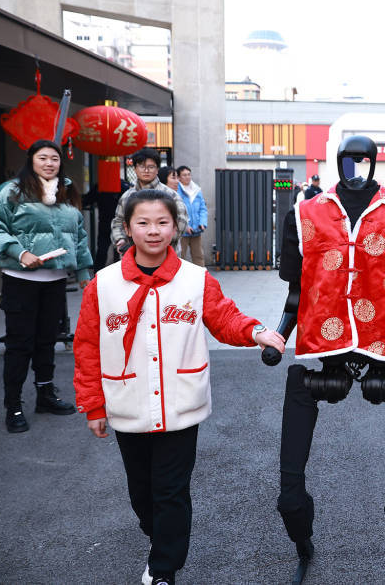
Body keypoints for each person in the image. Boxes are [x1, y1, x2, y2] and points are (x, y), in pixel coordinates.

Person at [73, 190, 285, 585]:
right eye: (143, 223)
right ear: (128, 227)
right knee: (142, 493)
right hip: (128, 403)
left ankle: (164, 568)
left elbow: (224, 317)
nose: (153, 231)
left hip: (180, 404)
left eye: (162, 222)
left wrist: (256, 331)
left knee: (170, 490)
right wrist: (93, 405)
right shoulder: (102, 286)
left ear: (175, 227)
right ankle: (160, 540)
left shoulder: (195, 278)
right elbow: (86, 347)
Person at [269, 137, 385, 585]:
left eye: (363, 159)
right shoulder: (304, 214)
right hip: (324, 347)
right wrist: (279, 333)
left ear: (375, 162)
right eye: (349, 159)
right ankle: (301, 539)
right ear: (337, 162)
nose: (355, 167)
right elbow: (294, 289)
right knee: (287, 493)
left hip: (384, 345)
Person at [0, 139, 95, 433]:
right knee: (20, 344)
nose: (49, 163)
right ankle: (13, 405)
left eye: (54, 158)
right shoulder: (12, 191)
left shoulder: (65, 191)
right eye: (42, 158)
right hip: (20, 281)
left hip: (55, 280)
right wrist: (20, 252)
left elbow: (78, 235)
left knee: (47, 339)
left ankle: (45, 394)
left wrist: (84, 272)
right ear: (31, 161)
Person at [110, 148, 188, 255]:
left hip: (166, 257)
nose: (146, 171)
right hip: (133, 257)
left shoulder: (171, 195)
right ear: (135, 169)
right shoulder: (127, 196)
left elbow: (181, 224)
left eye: (151, 167)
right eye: (142, 166)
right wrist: (120, 240)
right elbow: (118, 221)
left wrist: (154, 241)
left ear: (157, 169)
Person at [175, 165, 208, 267]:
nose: (187, 177)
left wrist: (202, 223)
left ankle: (202, 277)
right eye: (184, 175)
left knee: (198, 255)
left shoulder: (196, 190)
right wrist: (185, 226)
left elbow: (203, 208)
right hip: (182, 231)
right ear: (179, 177)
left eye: (189, 174)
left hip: (196, 230)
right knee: (180, 256)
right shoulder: (176, 191)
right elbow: (176, 211)